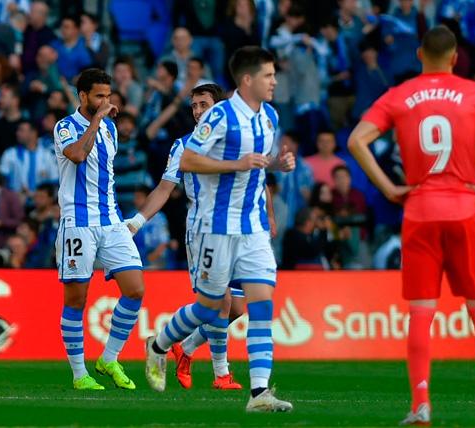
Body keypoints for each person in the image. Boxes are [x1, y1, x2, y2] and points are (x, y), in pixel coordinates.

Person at [347, 26, 475, 424]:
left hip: (420, 211)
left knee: (421, 312)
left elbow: (357, 140)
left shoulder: (399, 96)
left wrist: (390, 188)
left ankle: (421, 406)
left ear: (419, 54)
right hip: (468, 208)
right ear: (454, 58)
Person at [144, 46, 295, 412]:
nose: (274, 81)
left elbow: (256, 167)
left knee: (260, 305)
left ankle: (259, 394)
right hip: (215, 225)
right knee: (211, 306)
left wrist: (276, 165)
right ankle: (159, 345)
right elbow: (190, 160)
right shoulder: (221, 116)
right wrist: (236, 162)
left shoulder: (269, 116)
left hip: (253, 226)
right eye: (268, 75)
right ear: (247, 79)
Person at [125, 83, 246, 390]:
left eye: (203, 104)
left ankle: (185, 347)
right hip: (203, 229)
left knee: (236, 309)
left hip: (236, 228)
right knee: (221, 302)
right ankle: (221, 374)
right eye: (194, 106)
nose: (197, 111)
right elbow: (165, 189)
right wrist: (137, 221)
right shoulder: (184, 146)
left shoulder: (237, 140)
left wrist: (268, 216)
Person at [53, 68, 145, 391]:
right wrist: (97, 120)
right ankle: (80, 375)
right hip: (78, 223)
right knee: (77, 299)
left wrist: (103, 121)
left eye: (108, 95)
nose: (106, 102)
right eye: (99, 96)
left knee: (135, 289)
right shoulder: (64, 127)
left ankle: (109, 357)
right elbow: (78, 155)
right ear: (83, 97)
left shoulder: (111, 130)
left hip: (111, 221)